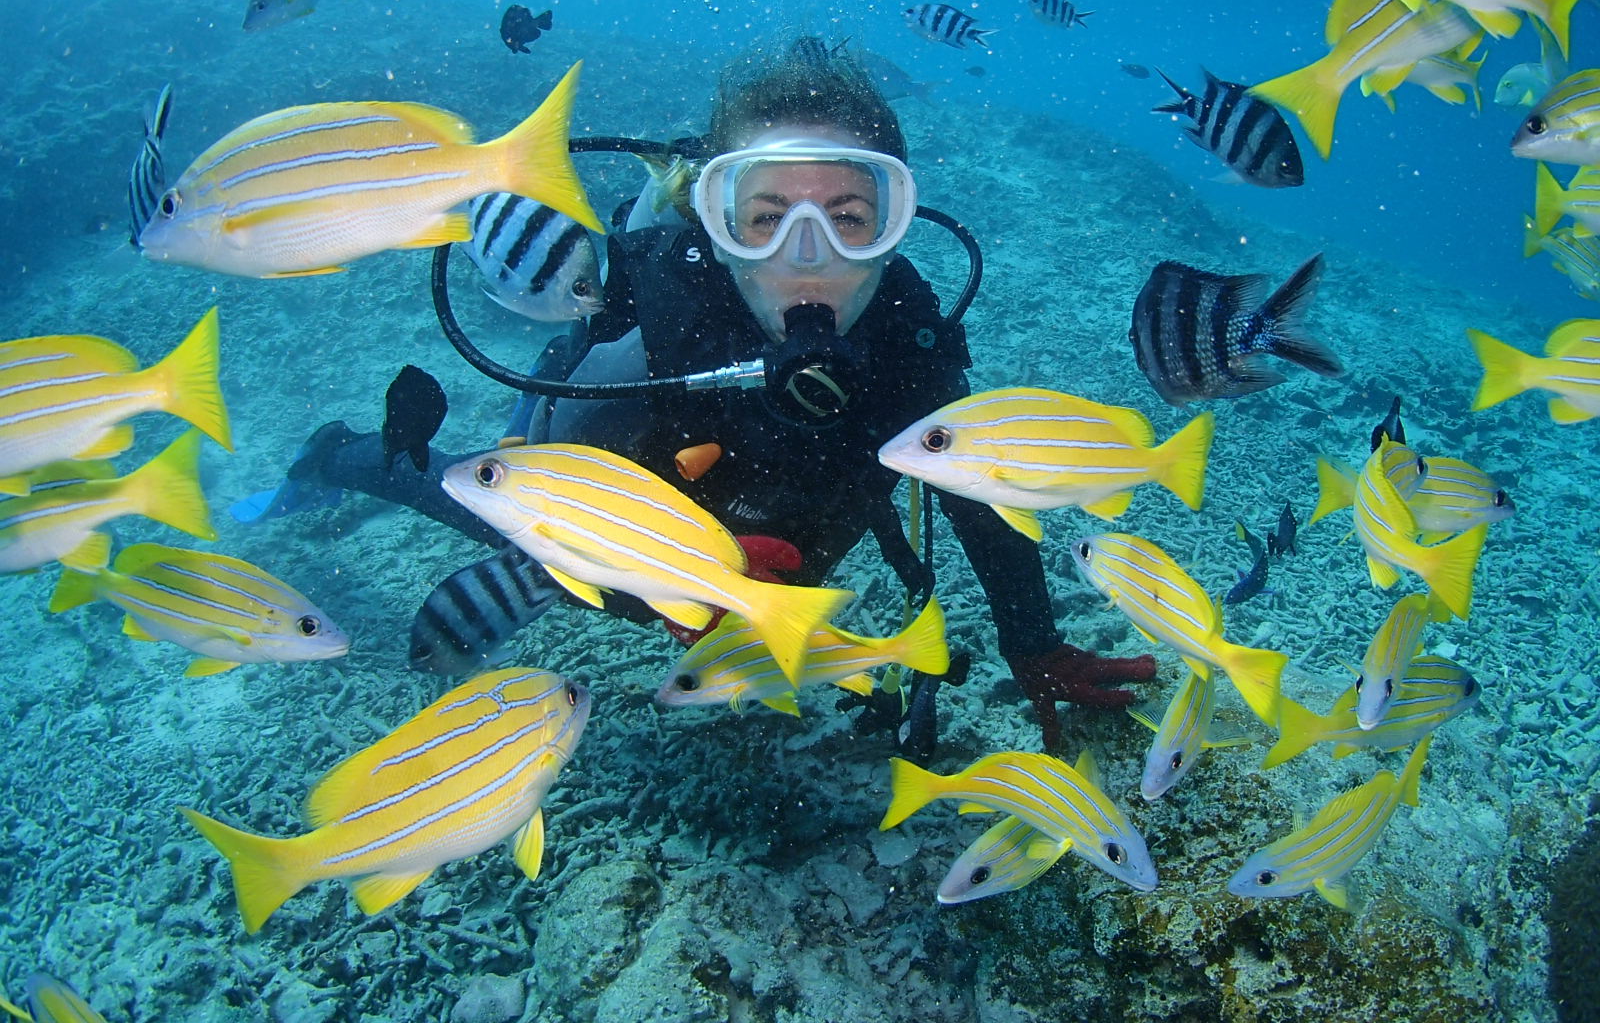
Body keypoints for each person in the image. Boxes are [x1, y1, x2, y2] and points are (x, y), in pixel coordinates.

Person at [283, 41, 1155, 751]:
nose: (807, 254)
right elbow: (552, 494)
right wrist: (667, 576)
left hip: (780, 554)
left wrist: (1033, 644)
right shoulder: (657, 310)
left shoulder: (904, 333)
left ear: (896, 229)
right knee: (480, 503)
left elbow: (985, 489)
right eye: (764, 214)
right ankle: (340, 454)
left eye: (852, 217)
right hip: (620, 509)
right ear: (713, 219)